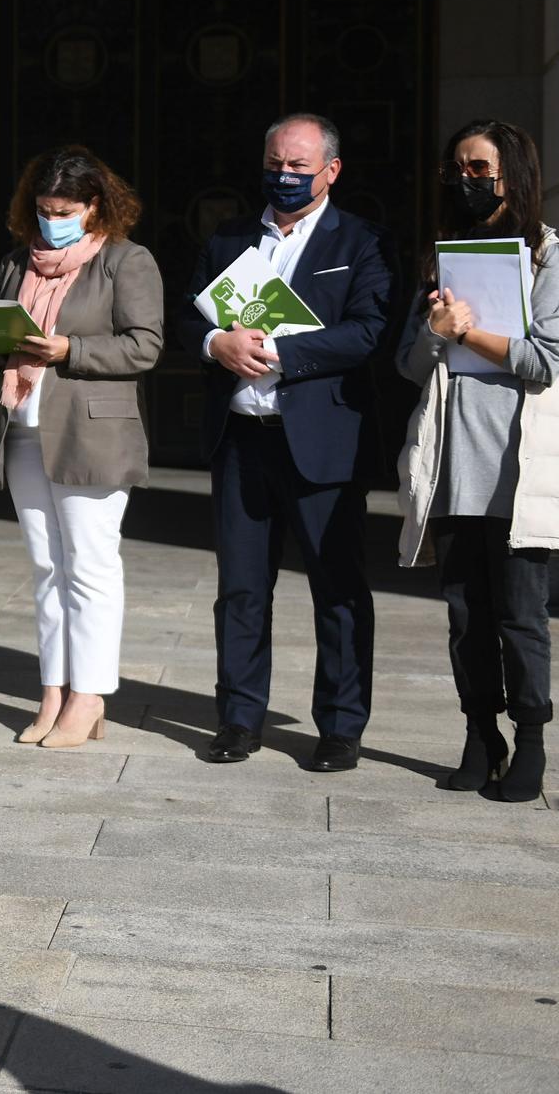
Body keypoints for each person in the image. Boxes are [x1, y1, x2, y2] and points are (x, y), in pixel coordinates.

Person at [395, 119, 559, 802]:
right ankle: (479, 732)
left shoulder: (551, 257)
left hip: (520, 471)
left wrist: (471, 332)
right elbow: (407, 362)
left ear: (511, 175)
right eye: (457, 168)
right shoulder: (439, 260)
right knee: (466, 615)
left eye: (479, 168)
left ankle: (533, 740)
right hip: (454, 467)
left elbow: (546, 360)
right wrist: (435, 331)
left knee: (522, 614)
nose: (467, 181)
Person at [175, 113, 394, 771]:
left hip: (322, 440)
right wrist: (217, 342)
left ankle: (340, 724)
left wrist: (281, 349)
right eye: (276, 163)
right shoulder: (231, 237)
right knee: (241, 588)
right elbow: (188, 313)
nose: (285, 176)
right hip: (242, 437)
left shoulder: (361, 240)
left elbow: (369, 330)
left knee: (338, 587)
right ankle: (239, 717)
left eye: (300, 166)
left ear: (331, 170)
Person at [0, 146, 163, 748]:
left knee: (89, 566)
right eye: (41, 209)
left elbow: (145, 346)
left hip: (93, 430)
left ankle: (88, 698)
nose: (49, 220)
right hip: (25, 426)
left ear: (93, 207)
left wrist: (70, 350)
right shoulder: (18, 263)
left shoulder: (124, 261)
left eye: (63, 209)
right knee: (46, 568)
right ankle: (53, 691)